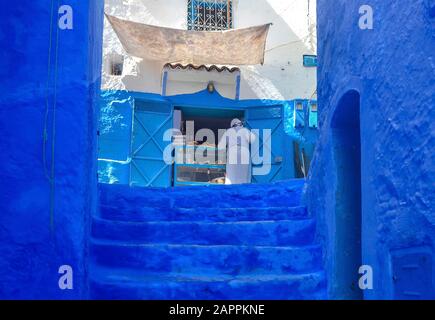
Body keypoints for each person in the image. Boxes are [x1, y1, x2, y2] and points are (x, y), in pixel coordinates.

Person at [218, 118, 256, 185]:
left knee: (231, 176)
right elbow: (253, 140)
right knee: (244, 175)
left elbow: (220, 146)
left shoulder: (229, 131)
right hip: (244, 153)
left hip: (232, 153)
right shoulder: (245, 130)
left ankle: (232, 191)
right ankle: (243, 191)